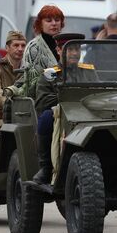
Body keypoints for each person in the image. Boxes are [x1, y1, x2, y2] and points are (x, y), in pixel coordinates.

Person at [32, 34, 98, 184]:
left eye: (77, 49)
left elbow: (97, 93)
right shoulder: (50, 74)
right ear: (59, 51)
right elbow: (42, 102)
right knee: (46, 118)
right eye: (70, 49)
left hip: (87, 114)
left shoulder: (89, 71)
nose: (75, 53)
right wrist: (66, 96)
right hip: (61, 115)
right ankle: (46, 167)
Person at [17, 5, 64, 98]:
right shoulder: (33, 47)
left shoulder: (65, 43)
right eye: (49, 20)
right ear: (40, 24)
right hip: (41, 100)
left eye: (57, 20)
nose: (54, 23)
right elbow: (32, 83)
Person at [84, 13, 117, 81]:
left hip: (100, 90)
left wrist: (96, 43)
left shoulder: (94, 50)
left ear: (106, 26)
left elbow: (86, 70)